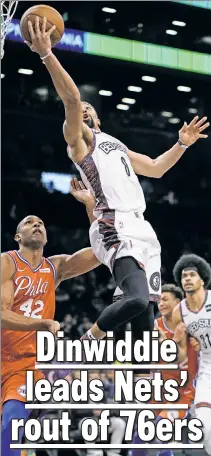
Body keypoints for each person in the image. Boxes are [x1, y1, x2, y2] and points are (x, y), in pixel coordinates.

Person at [25, 17, 209, 342]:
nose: (81, 108)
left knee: (144, 324)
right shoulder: (79, 141)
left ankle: (140, 388)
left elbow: (155, 167)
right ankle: (86, 342)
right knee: (136, 299)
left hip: (143, 229)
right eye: (76, 108)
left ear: (98, 116)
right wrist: (46, 54)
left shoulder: (117, 143)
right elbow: (69, 99)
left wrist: (181, 143)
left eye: (88, 106)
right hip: (114, 225)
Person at [1, 215, 100, 456]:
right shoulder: (7, 261)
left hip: (28, 366)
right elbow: (1, 314)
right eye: (29, 222)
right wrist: (41, 323)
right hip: (4, 355)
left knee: (11, 424)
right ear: (17, 237)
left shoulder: (54, 267)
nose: (37, 225)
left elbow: (101, 250)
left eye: (41, 223)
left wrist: (92, 208)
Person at [132, 283, 198, 456]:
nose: (161, 304)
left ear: (178, 302)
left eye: (166, 300)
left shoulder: (189, 326)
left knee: (158, 431)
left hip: (182, 393)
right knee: (140, 436)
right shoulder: (155, 324)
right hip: (158, 391)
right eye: (159, 300)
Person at [172, 254, 211, 455]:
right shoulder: (179, 312)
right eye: (184, 276)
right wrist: (180, 343)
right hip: (207, 366)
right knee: (203, 422)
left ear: (202, 280)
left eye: (192, 275)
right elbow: (182, 358)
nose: (187, 278)